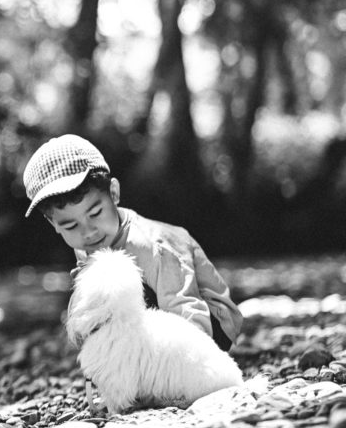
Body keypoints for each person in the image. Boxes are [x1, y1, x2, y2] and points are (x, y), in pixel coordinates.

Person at [22, 134, 242, 351]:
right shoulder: (91, 241)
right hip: (159, 314)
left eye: (96, 213)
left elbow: (187, 309)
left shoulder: (152, 246)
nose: (88, 232)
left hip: (210, 323)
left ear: (114, 193)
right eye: (70, 226)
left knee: (121, 284)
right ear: (54, 224)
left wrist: (191, 366)